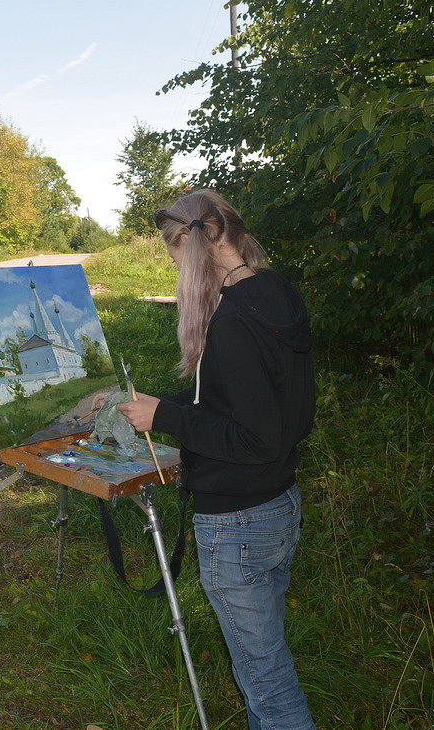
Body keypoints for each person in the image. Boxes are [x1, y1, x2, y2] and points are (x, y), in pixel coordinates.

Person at [115, 188, 317, 730]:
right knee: (265, 663)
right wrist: (164, 407)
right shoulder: (273, 296)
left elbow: (254, 437)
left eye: (175, 256)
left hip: (239, 524)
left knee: (267, 680)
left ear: (193, 245)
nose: (178, 269)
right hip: (278, 507)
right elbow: (250, 405)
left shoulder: (233, 324)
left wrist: (168, 419)